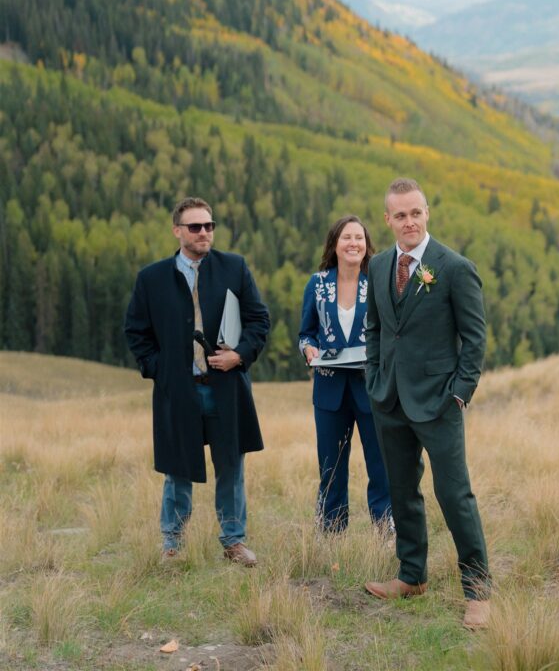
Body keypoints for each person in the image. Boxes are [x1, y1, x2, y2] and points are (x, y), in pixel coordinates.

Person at [364, 178, 491, 630]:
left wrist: (459, 393)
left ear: (427, 213)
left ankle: (478, 591)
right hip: (389, 400)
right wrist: (375, 378)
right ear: (388, 220)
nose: (409, 221)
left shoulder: (453, 267)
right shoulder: (378, 265)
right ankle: (411, 576)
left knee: (454, 494)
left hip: (439, 402)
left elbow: (475, 339)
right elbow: (376, 328)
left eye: (416, 212)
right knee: (402, 490)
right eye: (400, 215)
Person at [124, 196, 270, 565]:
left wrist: (239, 355)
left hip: (226, 388)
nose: (204, 232)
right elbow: (136, 332)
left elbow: (258, 321)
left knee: (231, 468)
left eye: (209, 225)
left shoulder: (234, 267)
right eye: (195, 226)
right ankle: (172, 545)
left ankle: (234, 542)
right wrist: (162, 370)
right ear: (177, 231)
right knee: (178, 470)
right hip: (179, 391)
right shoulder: (151, 278)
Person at [299, 215, 392, 534]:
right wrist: (308, 349)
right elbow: (306, 333)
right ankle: (331, 527)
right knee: (331, 465)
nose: (353, 243)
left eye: (359, 238)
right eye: (346, 238)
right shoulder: (318, 282)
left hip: (372, 389)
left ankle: (386, 526)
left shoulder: (379, 280)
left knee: (380, 463)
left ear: (367, 245)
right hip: (329, 388)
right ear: (334, 245)